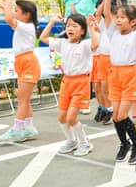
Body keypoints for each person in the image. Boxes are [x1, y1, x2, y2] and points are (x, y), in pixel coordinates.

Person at [103, 0, 136, 165]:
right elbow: (106, 14)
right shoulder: (113, 32)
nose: (118, 20)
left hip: (130, 75)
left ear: (132, 22)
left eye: (122, 17)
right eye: (117, 17)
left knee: (122, 115)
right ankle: (125, 144)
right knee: (115, 115)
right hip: (115, 74)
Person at [39, 13, 99, 156]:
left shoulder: (84, 44)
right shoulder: (63, 43)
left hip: (81, 82)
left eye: (74, 26)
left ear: (82, 31)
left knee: (71, 117)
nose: (70, 28)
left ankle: (85, 143)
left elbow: (95, 45)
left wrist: (91, 28)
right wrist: (52, 21)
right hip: (67, 82)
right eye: (68, 25)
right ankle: (71, 140)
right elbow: (43, 38)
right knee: (62, 117)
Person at [0, 0, 41, 143]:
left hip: (28, 63)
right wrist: (4, 7)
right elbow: (10, 17)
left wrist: (7, 2)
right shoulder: (25, 25)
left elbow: (9, 19)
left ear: (26, 15)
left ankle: (17, 129)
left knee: (22, 99)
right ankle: (28, 128)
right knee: (24, 99)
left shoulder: (26, 26)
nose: (14, 13)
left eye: (17, 10)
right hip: (22, 62)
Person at [93, 0, 113, 124]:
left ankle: (110, 109)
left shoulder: (113, 26)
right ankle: (103, 108)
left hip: (110, 59)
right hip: (99, 58)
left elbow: (104, 13)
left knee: (106, 88)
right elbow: (98, 14)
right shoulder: (101, 26)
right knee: (97, 88)